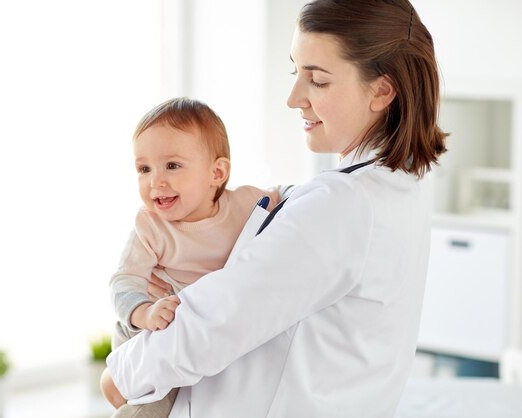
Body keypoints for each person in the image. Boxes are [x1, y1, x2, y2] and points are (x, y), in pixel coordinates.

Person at [103, 0, 448, 416]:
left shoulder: (343, 203)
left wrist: (120, 374)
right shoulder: (400, 184)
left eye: (317, 81)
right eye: (295, 72)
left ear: (381, 90)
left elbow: (217, 323)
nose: (293, 98)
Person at [106, 97, 283, 418]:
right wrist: (145, 313)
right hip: (148, 329)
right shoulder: (151, 226)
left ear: (217, 172)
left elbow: (288, 204)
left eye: (172, 165)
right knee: (149, 408)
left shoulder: (246, 204)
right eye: (143, 169)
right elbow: (123, 282)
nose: (155, 181)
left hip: (199, 329)